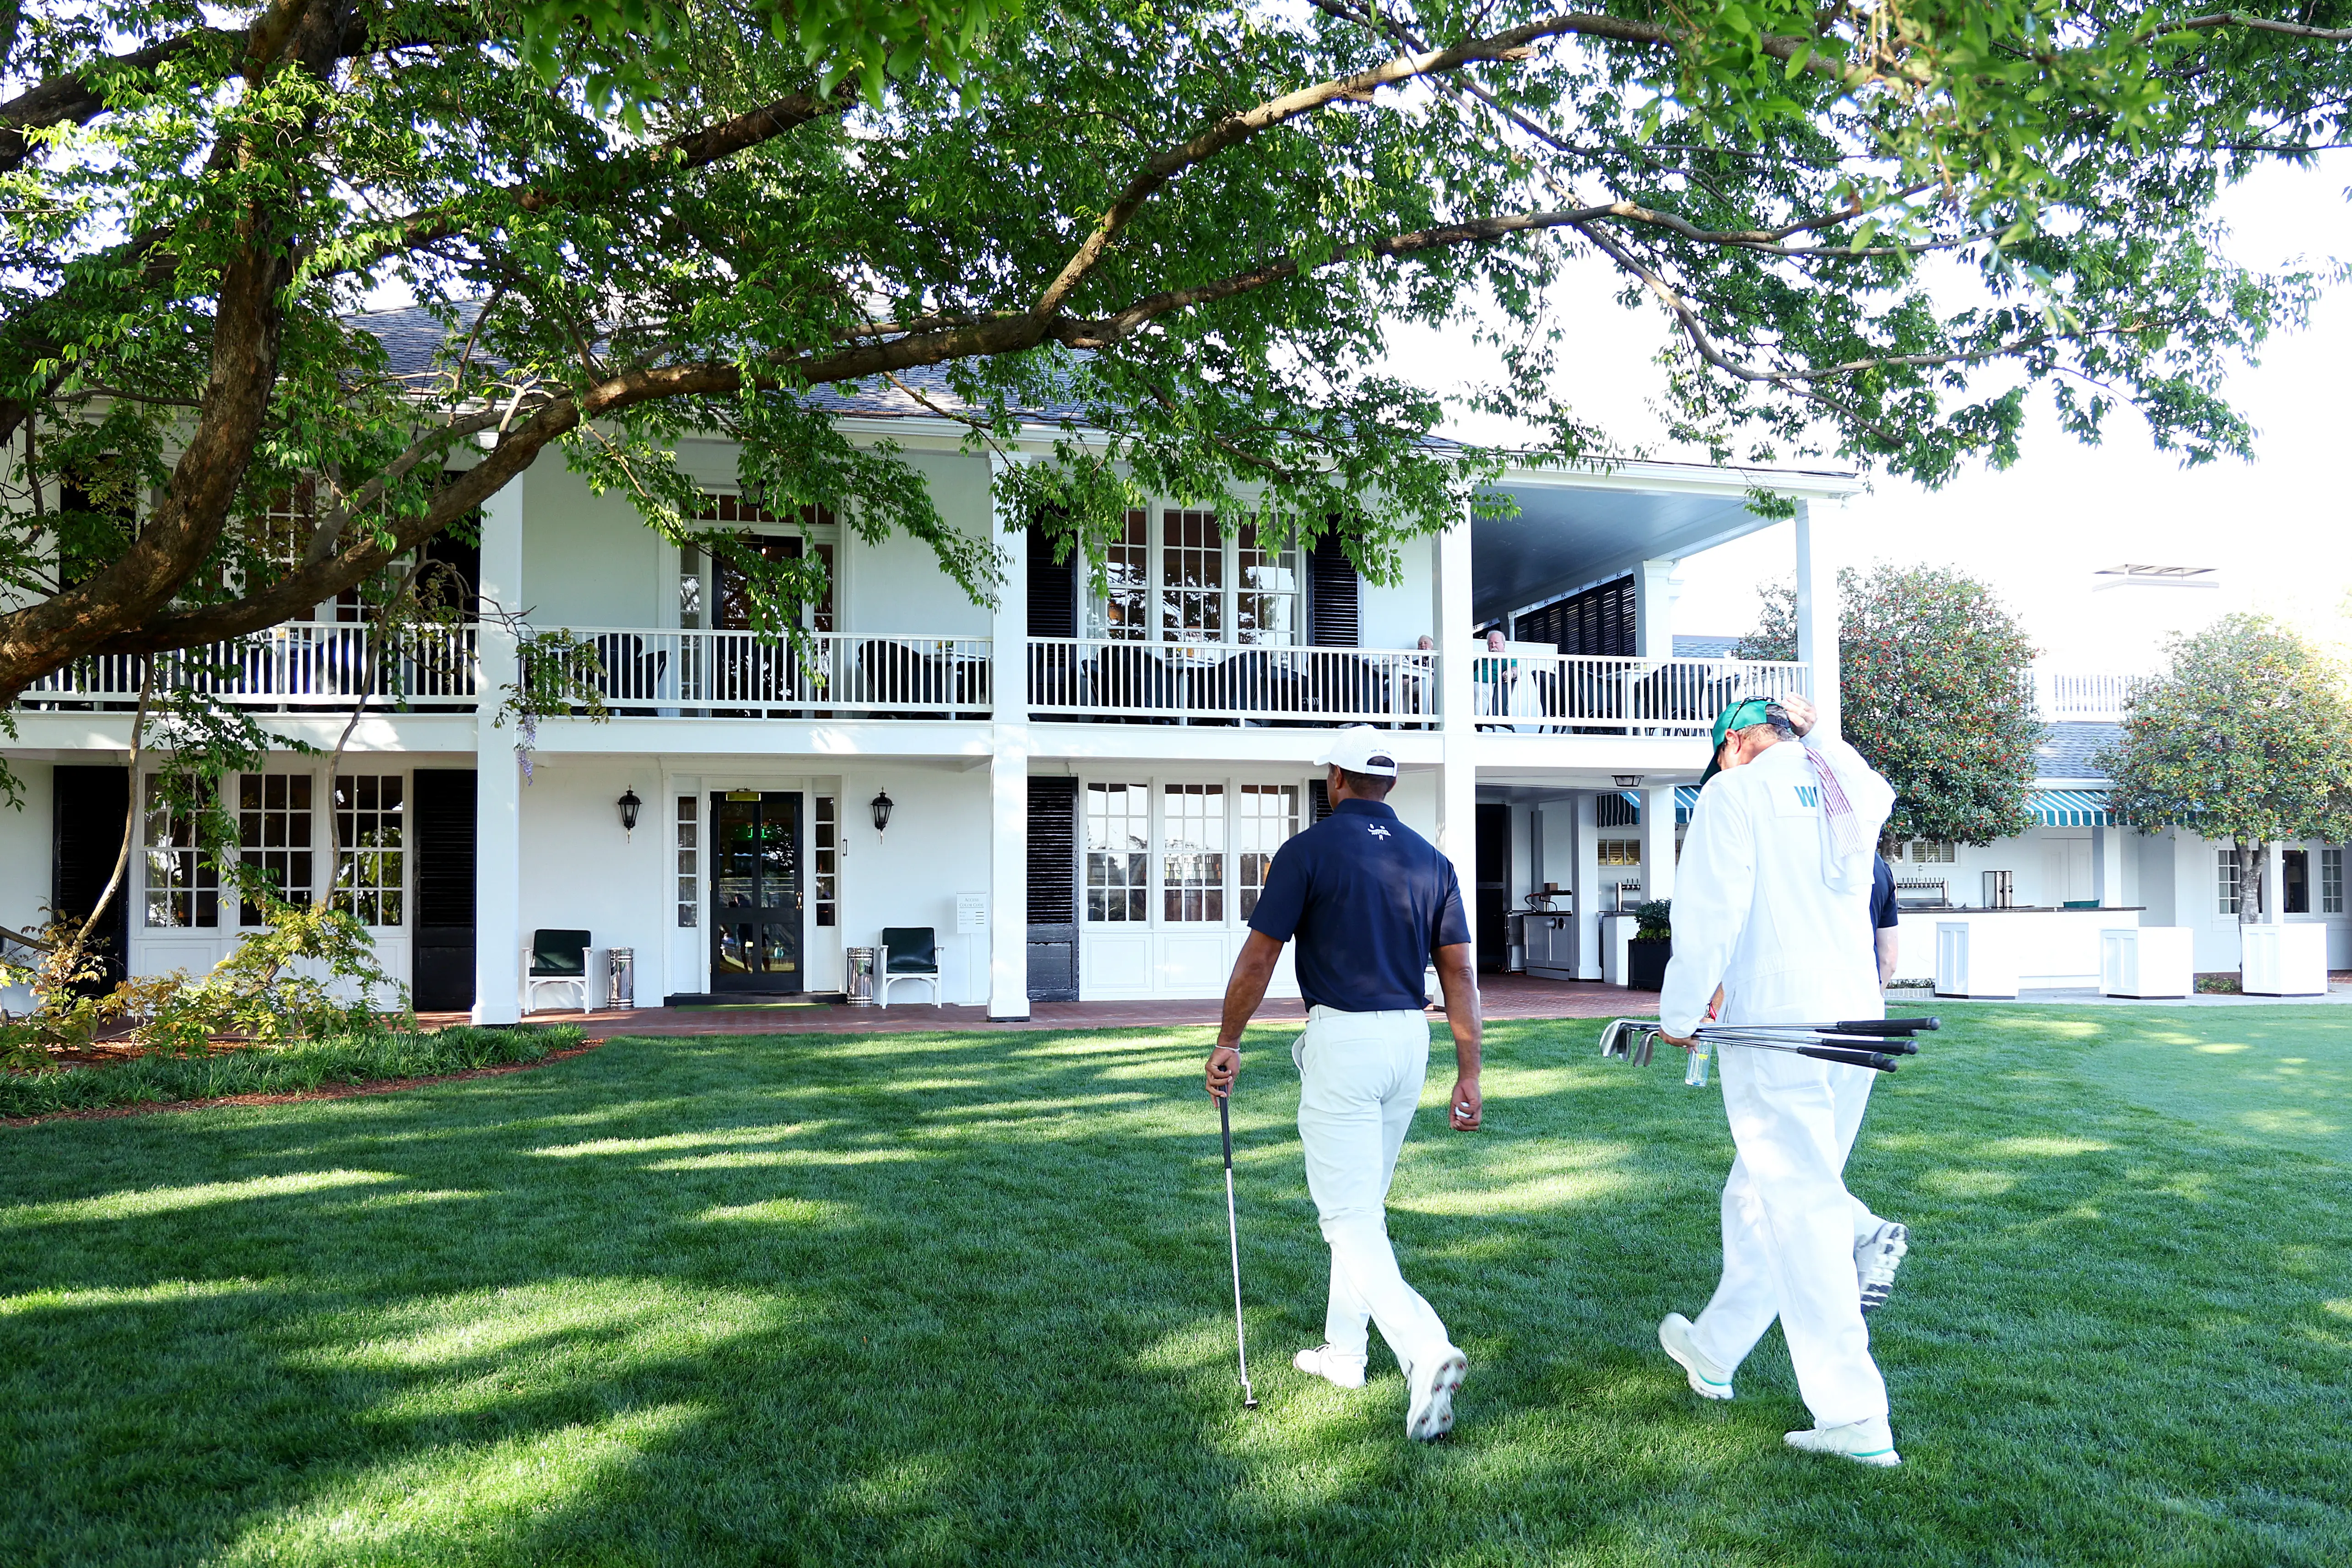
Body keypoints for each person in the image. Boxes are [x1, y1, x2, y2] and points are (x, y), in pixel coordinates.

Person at [1203, 726, 1481, 1441]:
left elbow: (1259, 958)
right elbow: (1458, 974)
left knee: (1347, 1215)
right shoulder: (1432, 860)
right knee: (1365, 1206)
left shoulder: (1306, 850)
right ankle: (1345, 1353)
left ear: (1336, 779)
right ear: (1386, 785)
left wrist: (1229, 1040)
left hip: (1346, 1039)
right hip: (1409, 1042)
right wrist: (1469, 1069)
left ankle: (1423, 1347)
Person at [1653, 692, 1908, 1467]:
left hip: (1777, 1022)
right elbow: (1873, 787)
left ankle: (1854, 1412)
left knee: (1799, 1207)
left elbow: (1708, 915)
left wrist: (1680, 1010)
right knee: (1759, 1190)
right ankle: (1713, 1348)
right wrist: (1818, 731)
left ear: (1732, 742)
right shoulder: (1844, 785)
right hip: (1857, 1018)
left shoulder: (1732, 793)